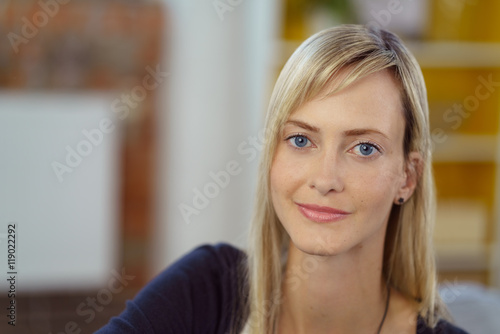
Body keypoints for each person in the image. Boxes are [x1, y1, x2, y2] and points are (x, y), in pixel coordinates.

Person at [96, 25, 469, 333]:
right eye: (301, 140)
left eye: (364, 149)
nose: (325, 180)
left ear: (407, 177)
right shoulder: (206, 289)